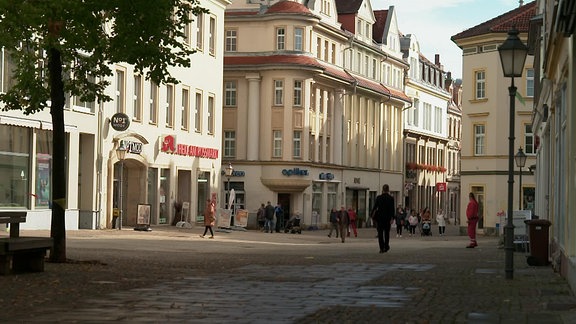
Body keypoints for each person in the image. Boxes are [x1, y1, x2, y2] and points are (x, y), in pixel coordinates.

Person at [371, 184, 395, 253]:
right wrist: (392, 217)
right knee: (387, 233)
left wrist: (372, 215)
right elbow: (392, 209)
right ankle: (386, 246)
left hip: (380, 218)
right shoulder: (391, 198)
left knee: (380, 233)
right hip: (387, 218)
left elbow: (375, 207)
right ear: (388, 190)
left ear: (382, 190)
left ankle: (381, 248)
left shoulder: (379, 198)